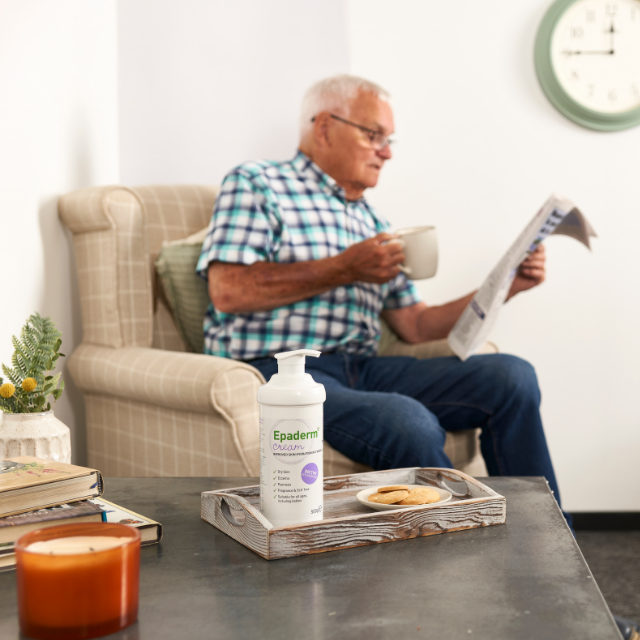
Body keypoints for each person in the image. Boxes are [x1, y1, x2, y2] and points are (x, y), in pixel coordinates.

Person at [196, 74, 568, 524]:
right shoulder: (258, 183)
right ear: (324, 127)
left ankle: (546, 536)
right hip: (286, 373)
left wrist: (507, 287)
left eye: (389, 140)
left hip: (365, 368)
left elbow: (415, 323)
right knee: (406, 420)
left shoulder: (373, 221)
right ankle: (465, 546)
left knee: (511, 375)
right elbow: (228, 290)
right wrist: (345, 267)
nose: (387, 152)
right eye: (374, 135)